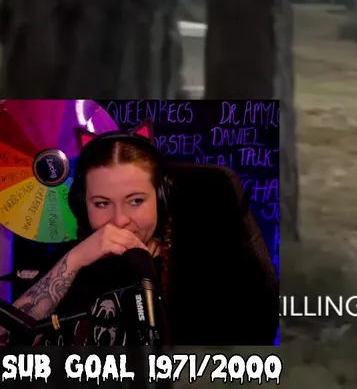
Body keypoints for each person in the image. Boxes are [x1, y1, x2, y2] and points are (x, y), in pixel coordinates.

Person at [0, 120, 278, 347]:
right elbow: (6, 339)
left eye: (135, 201)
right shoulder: (68, 261)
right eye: (102, 203)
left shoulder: (197, 275)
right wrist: (74, 260)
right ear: (82, 206)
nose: (119, 220)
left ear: (161, 199)